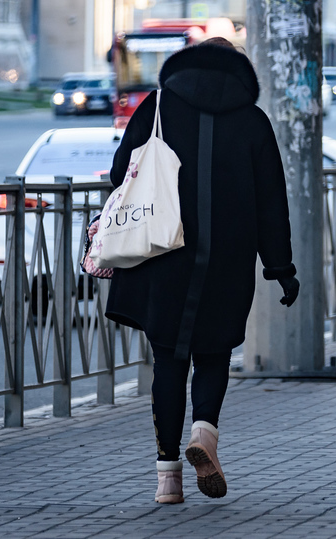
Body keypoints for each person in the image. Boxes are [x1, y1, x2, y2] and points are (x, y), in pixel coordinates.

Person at [104, 37, 299, 504]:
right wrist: (280, 267)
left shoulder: (157, 107)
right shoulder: (252, 121)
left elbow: (119, 173)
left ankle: (167, 479)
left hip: (163, 253)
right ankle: (204, 435)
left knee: (169, 359)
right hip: (228, 259)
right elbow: (272, 202)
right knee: (213, 354)